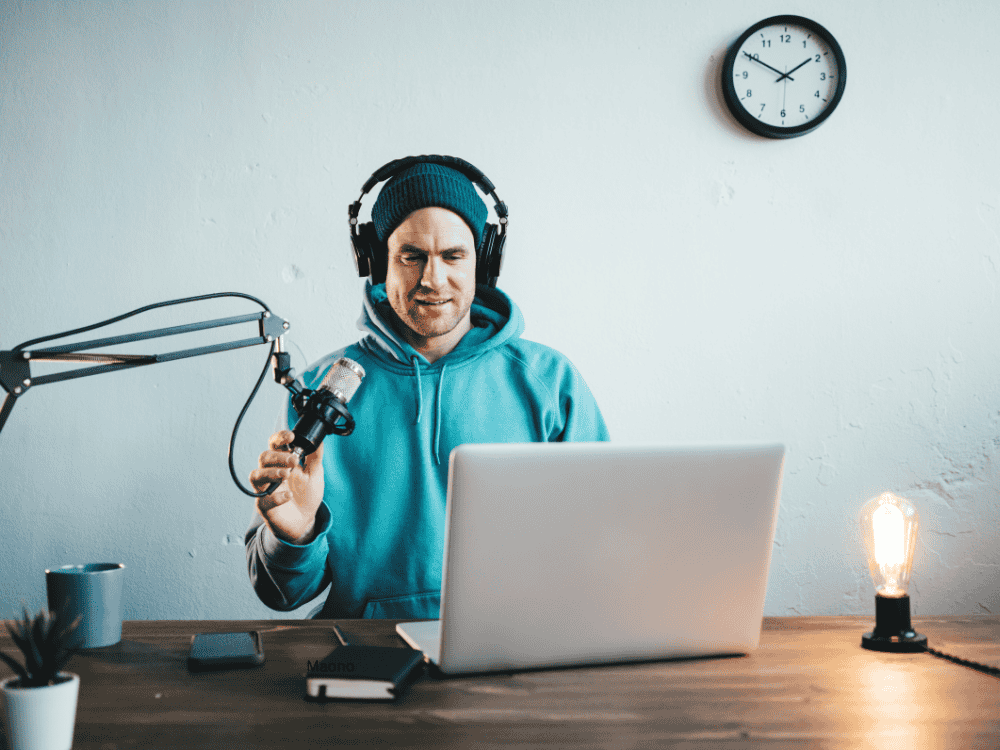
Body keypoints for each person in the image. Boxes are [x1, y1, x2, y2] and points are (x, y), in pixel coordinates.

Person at [245, 158, 609, 619]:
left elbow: (602, 549)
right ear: (378, 263)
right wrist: (294, 536)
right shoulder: (321, 393)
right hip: (367, 654)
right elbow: (280, 595)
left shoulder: (549, 383)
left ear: (484, 262)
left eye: (453, 256)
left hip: (511, 652)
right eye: (411, 256)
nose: (432, 280)